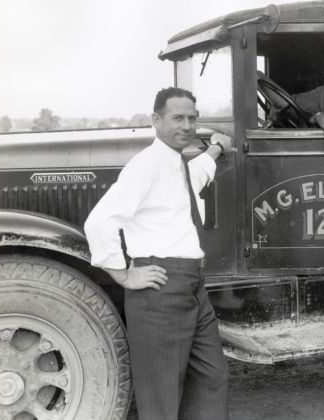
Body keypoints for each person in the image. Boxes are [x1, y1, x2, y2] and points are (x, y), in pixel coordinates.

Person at [84, 87, 232, 420]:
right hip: (160, 289)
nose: (187, 126)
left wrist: (217, 149)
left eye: (192, 119)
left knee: (212, 377)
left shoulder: (177, 163)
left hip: (192, 286)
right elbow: (99, 222)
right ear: (156, 120)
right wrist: (123, 274)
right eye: (178, 118)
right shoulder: (146, 166)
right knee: (162, 396)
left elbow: (195, 177)